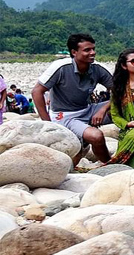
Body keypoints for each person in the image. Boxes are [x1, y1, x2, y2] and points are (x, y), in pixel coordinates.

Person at [32, 34, 113, 166]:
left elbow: (118, 91)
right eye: (87, 50)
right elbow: (37, 92)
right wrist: (48, 124)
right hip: (65, 116)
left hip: (89, 109)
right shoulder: (61, 67)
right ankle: (110, 165)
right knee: (96, 136)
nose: (92, 53)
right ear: (74, 52)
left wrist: (103, 109)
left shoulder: (97, 68)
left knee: (130, 105)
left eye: (93, 49)